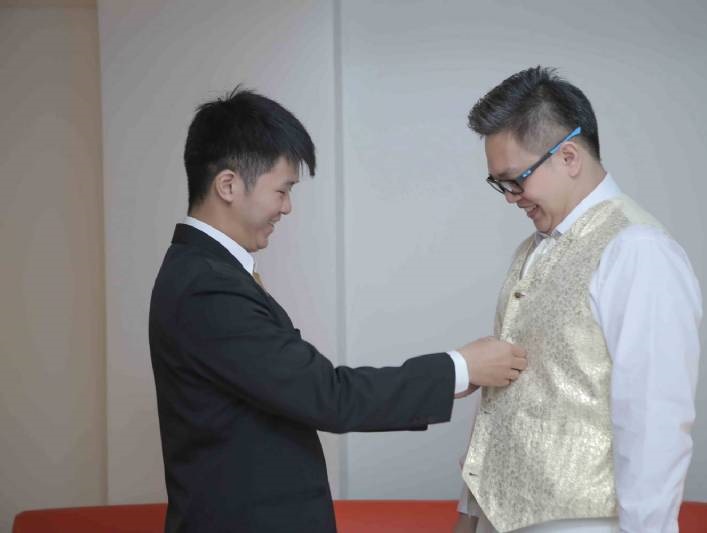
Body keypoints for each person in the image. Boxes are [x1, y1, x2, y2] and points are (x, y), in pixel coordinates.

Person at [148, 88, 527, 533]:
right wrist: (460, 368)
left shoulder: (207, 271)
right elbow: (327, 396)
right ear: (228, 185)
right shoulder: (207, 286)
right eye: (282, 190)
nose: (287, 207)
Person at [454, 67, 702, 533]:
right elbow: (501, 398)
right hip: (497, 516)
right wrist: (470, 512)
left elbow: (654, 421)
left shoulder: (638, 250)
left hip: (581, 521)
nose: (510, 197)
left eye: (515, 180)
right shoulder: (531, 250)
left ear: (568, 156)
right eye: (500, 184)